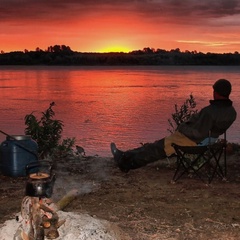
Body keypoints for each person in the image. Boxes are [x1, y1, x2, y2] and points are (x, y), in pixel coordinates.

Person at [110, 79, 237, 172]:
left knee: (156, 149)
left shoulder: (210, 111)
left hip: (193, 142)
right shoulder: (231, 112)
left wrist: (182, 127)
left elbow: (198, 133)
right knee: (155, 146)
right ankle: (125, 155)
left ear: (217, 92)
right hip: (207, 142)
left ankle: (125, 164)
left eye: (214, 90)